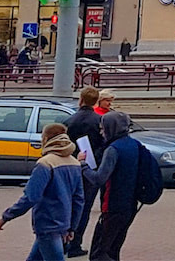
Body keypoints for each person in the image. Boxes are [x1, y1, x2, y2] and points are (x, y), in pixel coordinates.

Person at [0, 122, 85, 261]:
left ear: (46, 139)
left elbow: (31, 197)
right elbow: (78, 199)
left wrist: (6, 216)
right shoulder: (74, 162)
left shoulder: (45, 163)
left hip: (47, 222)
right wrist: (72, 227)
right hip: (63, 222)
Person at [83, 112, 148, 261]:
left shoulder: (113, 149)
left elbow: (99, 178)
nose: (101, 132)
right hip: (131, 205)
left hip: (112, 205)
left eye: (103, 128)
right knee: (113, 249)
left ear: (111, 128)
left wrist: (83, 166)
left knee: (98, 253)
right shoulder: (134, 144)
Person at [63, 88, 106, 257]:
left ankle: (64, 241)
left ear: (81, 99)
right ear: (96, 101)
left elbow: (64, 144)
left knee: (68, 205)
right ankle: (75, 243)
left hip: (71, 168)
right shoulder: (100, 121)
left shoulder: (69, 121)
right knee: (85, 207)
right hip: (91, 170)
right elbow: (104, 145)